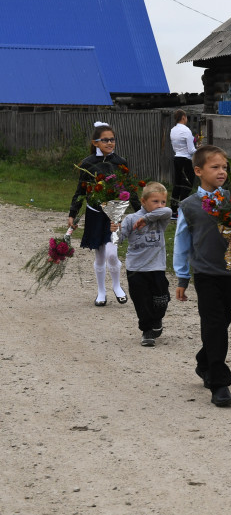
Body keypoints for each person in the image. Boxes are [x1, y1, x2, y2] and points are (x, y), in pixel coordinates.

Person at [173, 145, 231, 407]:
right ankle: (219, 383)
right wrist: (183, 278)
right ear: (198, 171)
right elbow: (181, 244)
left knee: (224, 318)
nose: (221, 172)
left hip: (230, 272)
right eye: (215, 167)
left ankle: (204, 361)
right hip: (205, 274)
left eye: (224, 167)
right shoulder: (189, 205)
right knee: (215, 323)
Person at [68, 121, 130, 307]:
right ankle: (101, 292)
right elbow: (81, 191)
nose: (110, 143)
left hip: (113, 214)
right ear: (95, 142)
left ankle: (117, 286)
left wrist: (142, 210)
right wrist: (73, 213)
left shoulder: (120, 162)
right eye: (105, 140)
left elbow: (128, 189)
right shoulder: (88, 164)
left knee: (112, 253)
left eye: (112, 140)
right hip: (95, 213)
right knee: (100, 256)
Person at [115, 182, 173, 347]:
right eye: (155, 201)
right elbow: (119, 239)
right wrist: (114, 230)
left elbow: (168, 211)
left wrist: (146, 218)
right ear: (143, 201)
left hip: (157, 267)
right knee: (142, 301)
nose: (160, 205)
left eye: (163, 201)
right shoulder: (130, 218)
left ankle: (157, 320)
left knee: (161, 300)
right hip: (136, 269)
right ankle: (147, 330)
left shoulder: (160, 219)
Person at [169, 109, 197, 218]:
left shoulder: (173, 130)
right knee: (188, 185)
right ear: (184, 117)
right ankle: (182, 209)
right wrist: (199, 149)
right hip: (186, 160)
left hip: (177, 158)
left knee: (177, 184)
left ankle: (174, 210)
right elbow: (191, 150)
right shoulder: (186, 130)